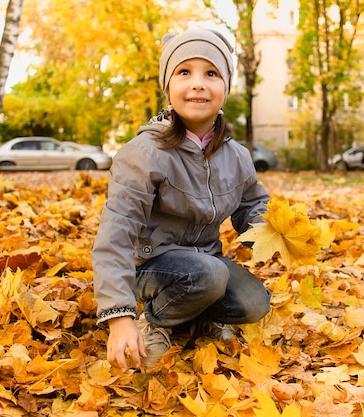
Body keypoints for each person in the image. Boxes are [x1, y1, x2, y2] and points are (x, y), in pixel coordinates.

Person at [92, 28, 272, 372]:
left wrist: (273, 228)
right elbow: (115, 234)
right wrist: (118, 315)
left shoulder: (236, 155)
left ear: (226, 86)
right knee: (207, 276)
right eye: (184, 72)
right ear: (168, 84)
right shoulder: (144, 153)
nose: (198, 83)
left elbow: (252, 206)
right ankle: (154, 320)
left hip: (206, 262)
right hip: (149, 266)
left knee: (254, 303)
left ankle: (198, 313)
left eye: (212, 73)